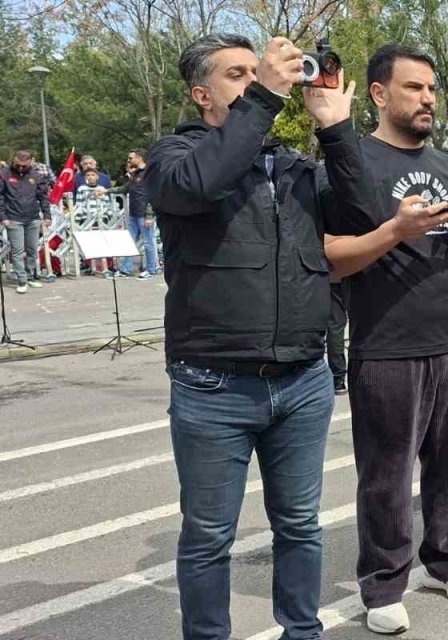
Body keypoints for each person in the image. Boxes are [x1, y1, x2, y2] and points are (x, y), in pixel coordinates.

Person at [145, 32, 369, 640]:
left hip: (302, 380)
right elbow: (198, 184)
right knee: (209, 536)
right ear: (202, 94)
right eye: (237, 75)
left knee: (300, 525)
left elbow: (363, 214)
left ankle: (302, 632)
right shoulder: (174, 158)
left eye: (257, 73)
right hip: (212, 385)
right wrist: (266, 95)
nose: (254, 82)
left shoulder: (293, 166)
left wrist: (335, 130)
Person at [319, 43, 448, 635]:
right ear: (378, 94)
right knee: (386, 475)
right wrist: (397, 228)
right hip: (386, 344)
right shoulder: (349, 162)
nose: (427, 99)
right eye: (414, 88)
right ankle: (384, 583)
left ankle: (446, 559)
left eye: (431, 89)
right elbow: (333, 258)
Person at [1, 150, 51, 294]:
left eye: (25, 165)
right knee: (17, 250)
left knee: (32, 249)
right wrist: (3, 217)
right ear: (14, 160)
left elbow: (43, 197)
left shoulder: (37, 175)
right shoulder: (4, 174)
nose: (21, 168)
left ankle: (30, 276)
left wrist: (47, 215)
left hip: (33, 217)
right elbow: (0, 197)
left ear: (31, 162)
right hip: (13, 218)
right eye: (18, 165)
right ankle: (21, 280)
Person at [113, 149, 159, 279]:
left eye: (130, 158)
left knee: (148, 242)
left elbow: (152, 195)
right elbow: (124, 188)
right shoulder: (135, 174)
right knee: (129, 241)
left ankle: (151, 269)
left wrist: (149, 216)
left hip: (144, 214)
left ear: (139, 158)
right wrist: (105, 191)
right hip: (134, 214)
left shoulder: (149, 174)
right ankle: (125, 269)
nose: (128, 161)